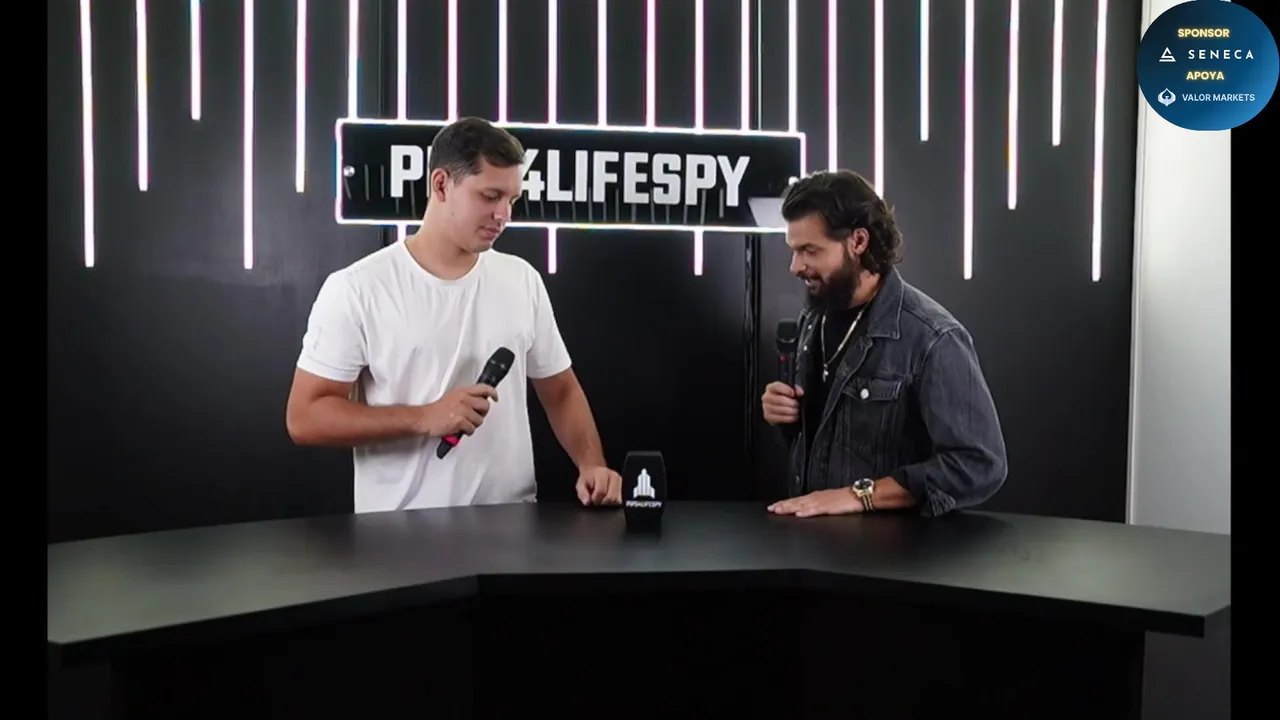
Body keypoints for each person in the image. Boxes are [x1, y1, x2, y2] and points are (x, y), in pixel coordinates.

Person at [286, 117, 622, 512]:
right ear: (441, 184)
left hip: (511, 522)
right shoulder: (359, 288)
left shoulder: (521, 279)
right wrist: (423, 417)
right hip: (398, 531)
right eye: (490, 196)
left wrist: (591, 463)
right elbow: (305, 417)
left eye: (512, 200)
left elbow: (561, 391)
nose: (504, 214)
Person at [761, 170, 1007, 518]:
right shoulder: (813, 320)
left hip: (894, 549)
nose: (795, 266)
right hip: (811, 542)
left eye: (809, 251)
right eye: (794, 251)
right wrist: (786, 417)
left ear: (858, 241)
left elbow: (979, 464)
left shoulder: (933, 337)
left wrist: (859, 495)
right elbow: (828, 444)